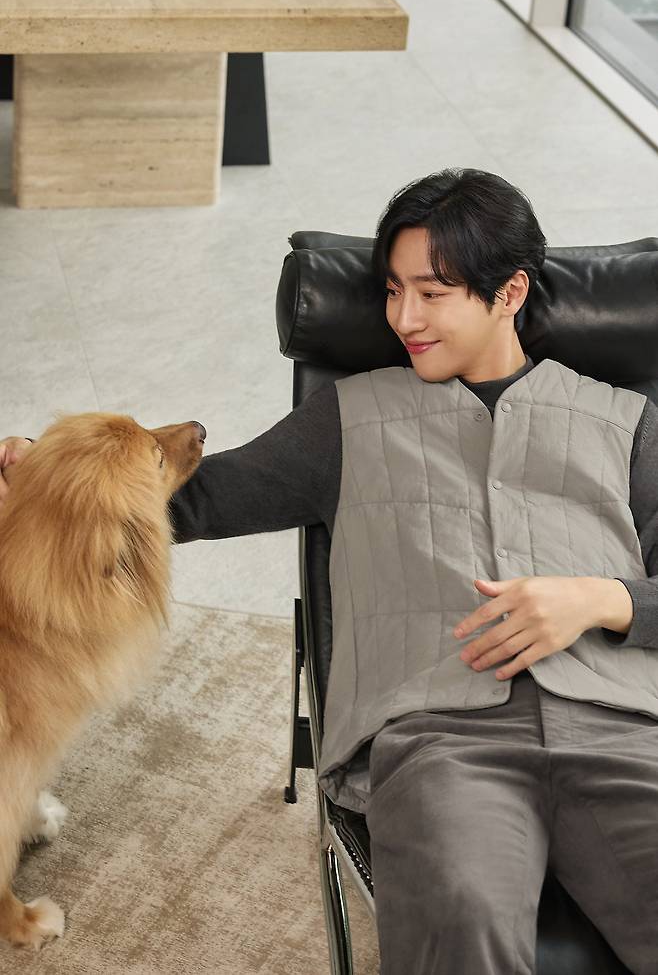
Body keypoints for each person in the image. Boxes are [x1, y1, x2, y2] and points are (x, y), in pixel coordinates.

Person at [4, 168, 657, 974]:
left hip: (627, 735)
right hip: (441, 742)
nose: (403, 318)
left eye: (432, 293)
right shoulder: (347, 419)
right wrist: (45, 477)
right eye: (392, 291)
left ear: (511, 291)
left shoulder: (627, 421)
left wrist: (603, 598)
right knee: (463, 914)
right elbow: (187, 501)